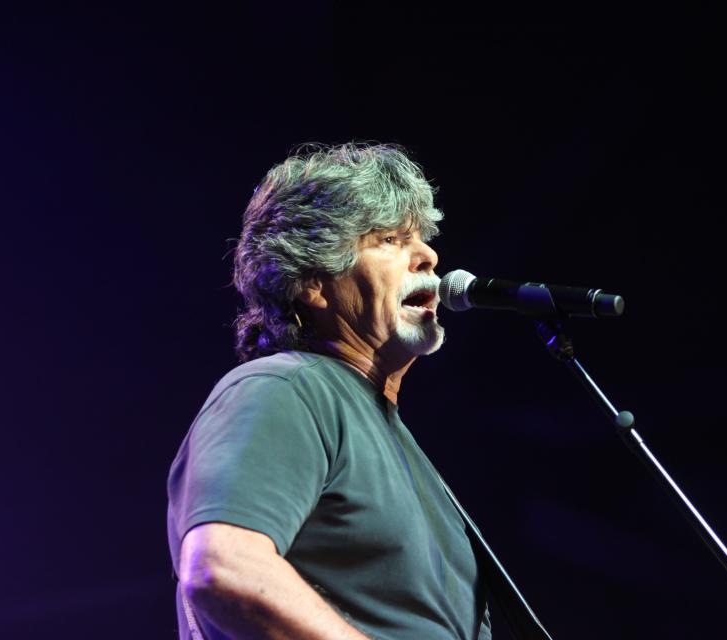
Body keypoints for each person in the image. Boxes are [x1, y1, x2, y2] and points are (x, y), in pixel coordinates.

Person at [166, 143, 491, 639]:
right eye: (389, 239)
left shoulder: (389, 432)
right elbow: (223, 565)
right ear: (313, 281)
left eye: (420, 238)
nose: (427, 255)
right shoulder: (286, 389)